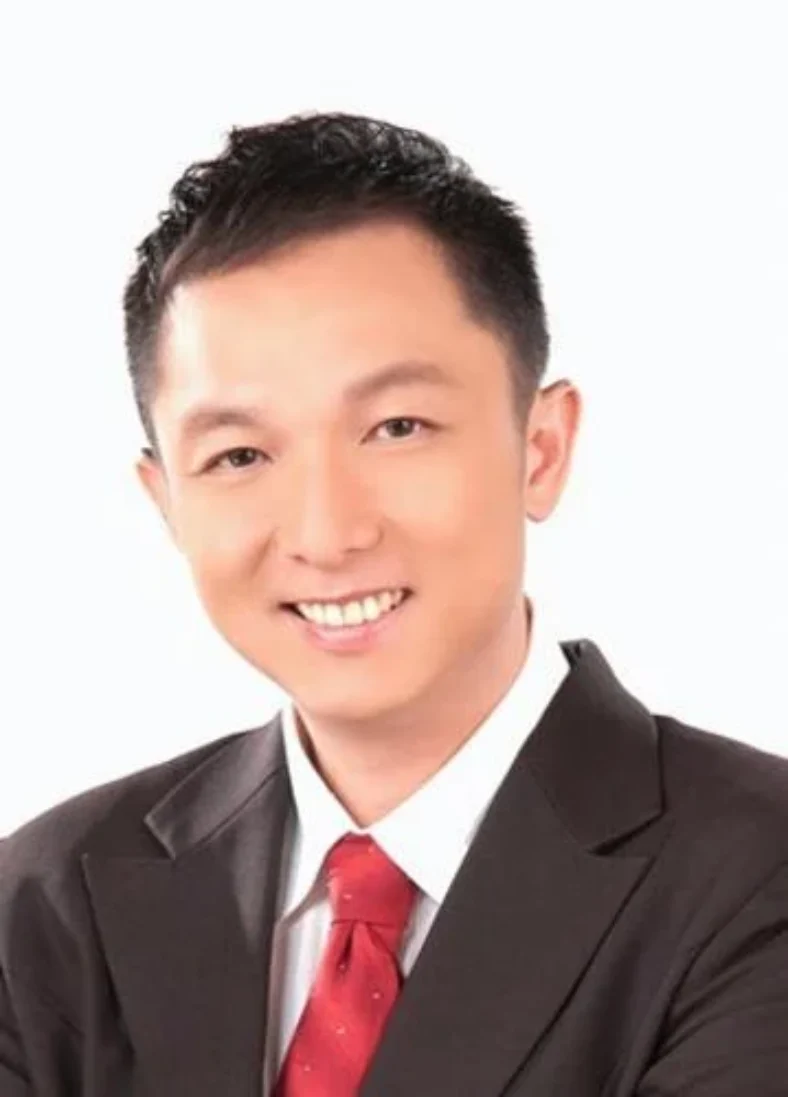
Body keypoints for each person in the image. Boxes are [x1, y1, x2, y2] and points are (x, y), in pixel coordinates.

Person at [1, 112, 787, 1097]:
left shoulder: (756, 878)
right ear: (167, 503)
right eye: (239, 454)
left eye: (397, 426)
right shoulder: (45, 904)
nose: (326, 532)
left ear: (540, 448)